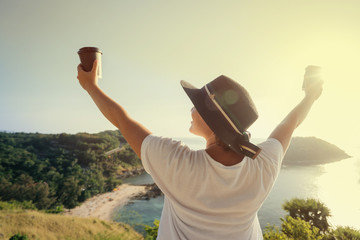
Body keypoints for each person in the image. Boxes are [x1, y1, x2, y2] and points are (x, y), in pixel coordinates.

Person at [77, 60, 323, 240]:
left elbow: (122, 120)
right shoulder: (263, 164)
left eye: (196, 106)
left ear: (211, 120)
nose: (191, 110)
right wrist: (310, 97)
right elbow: (289, 124)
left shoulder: (176, 163)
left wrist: (91, 86)